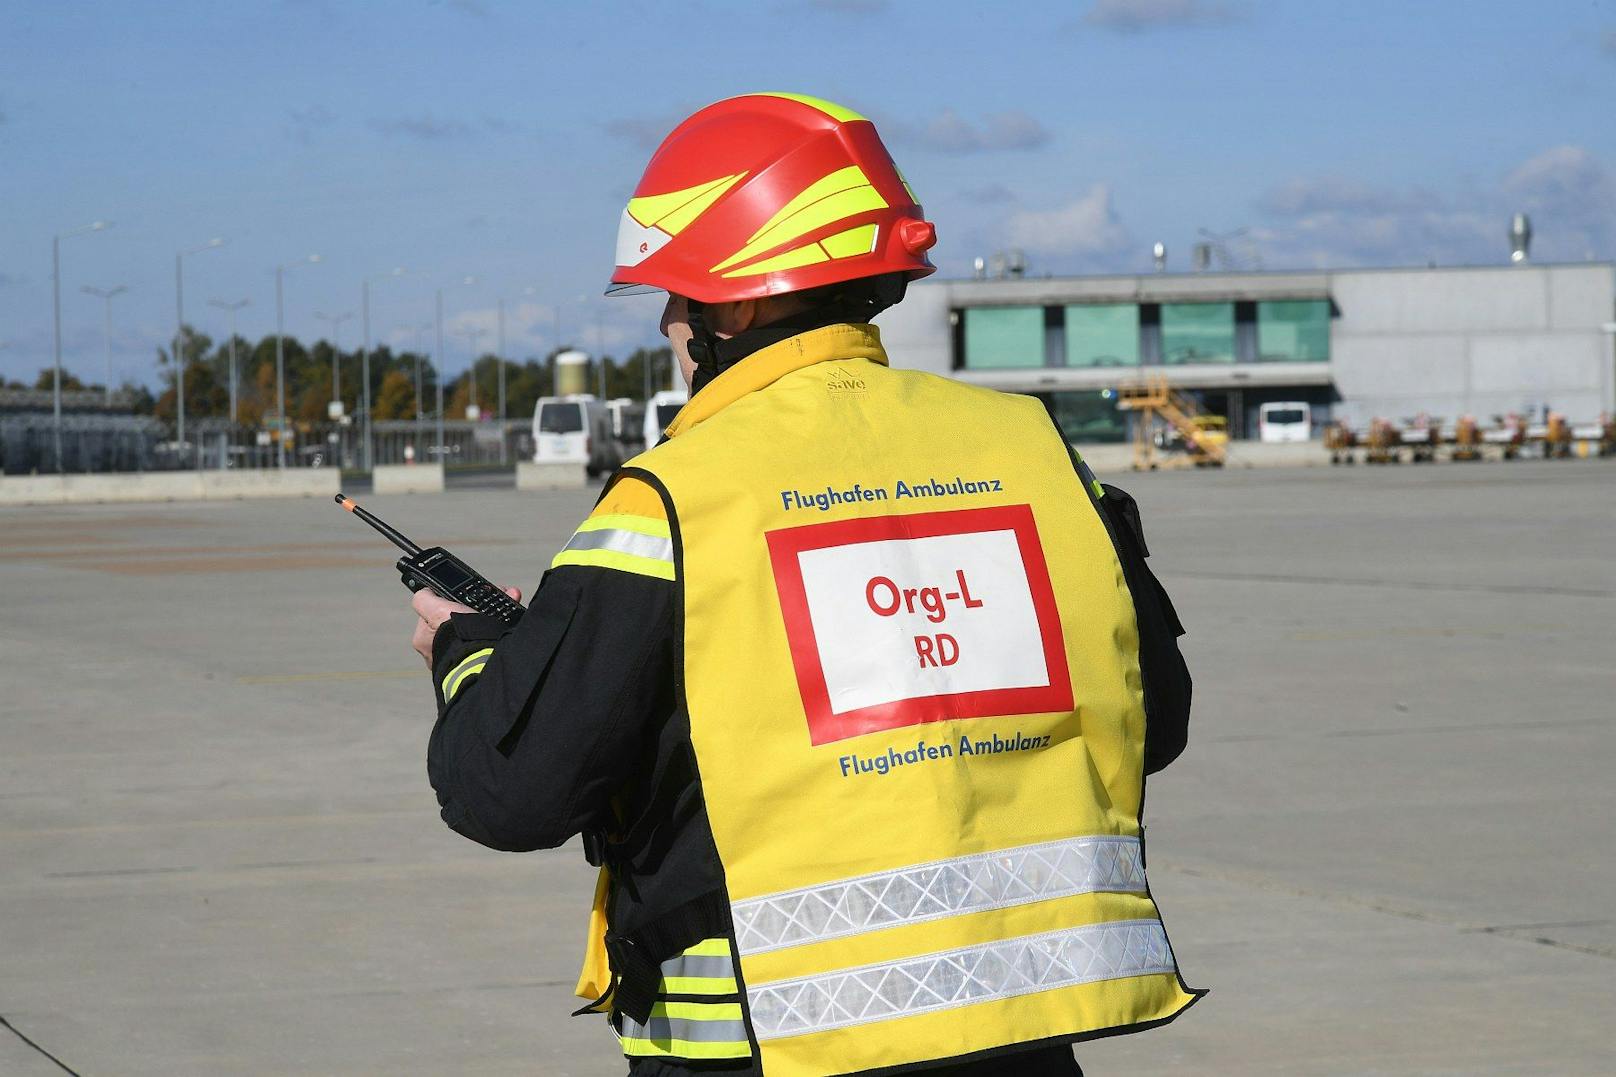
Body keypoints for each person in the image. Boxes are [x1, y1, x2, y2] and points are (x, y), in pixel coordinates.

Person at [410, 92, 1200, 1076]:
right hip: (1013, 1028)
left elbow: (510, 795)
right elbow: (1150, 723)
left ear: (732, 305)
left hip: (766, 1042)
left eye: (672, 294)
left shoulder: (672, 502)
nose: (666, 319)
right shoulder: (1043, 461)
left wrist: (467, 653)